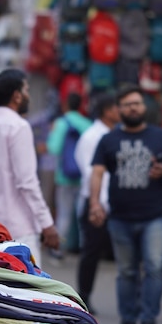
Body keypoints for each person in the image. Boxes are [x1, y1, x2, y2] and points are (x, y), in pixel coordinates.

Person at [89, 84, 162, 324]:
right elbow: (97, 172)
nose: (133, 108)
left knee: (154, 269)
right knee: (127, 271)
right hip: (120, 217)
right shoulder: (108, 140)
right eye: (127, 104)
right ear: (118, 110)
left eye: (137, 103)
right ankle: (128, 323)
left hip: (155, 215)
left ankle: (149, 323)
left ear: (144, 107)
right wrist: (95, 203)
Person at [0, 68, 60, 267]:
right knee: (28, 292)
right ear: (17, 96)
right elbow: (27, 182)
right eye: (26, 91)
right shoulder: (19, 127)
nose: (29, 97)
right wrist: (47, 224)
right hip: (19, 230)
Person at [74, 93, 120, 314]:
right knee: (91, 253)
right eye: (116, 107)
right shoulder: (93, 136)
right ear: (107, 111)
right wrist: (98, 203)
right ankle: (83, 296)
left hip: (111, 201)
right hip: (97, 202)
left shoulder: (112, 134)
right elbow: (91, 171)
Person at [46, 92, 92, 259]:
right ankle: (84, 248)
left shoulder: (60, 123)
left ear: (66, 104)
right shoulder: (87, 124)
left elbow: (54, 148)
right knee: (82, 214)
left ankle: (58, 249)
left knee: (64, 213)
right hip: (83, 176)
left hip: (64, 176)